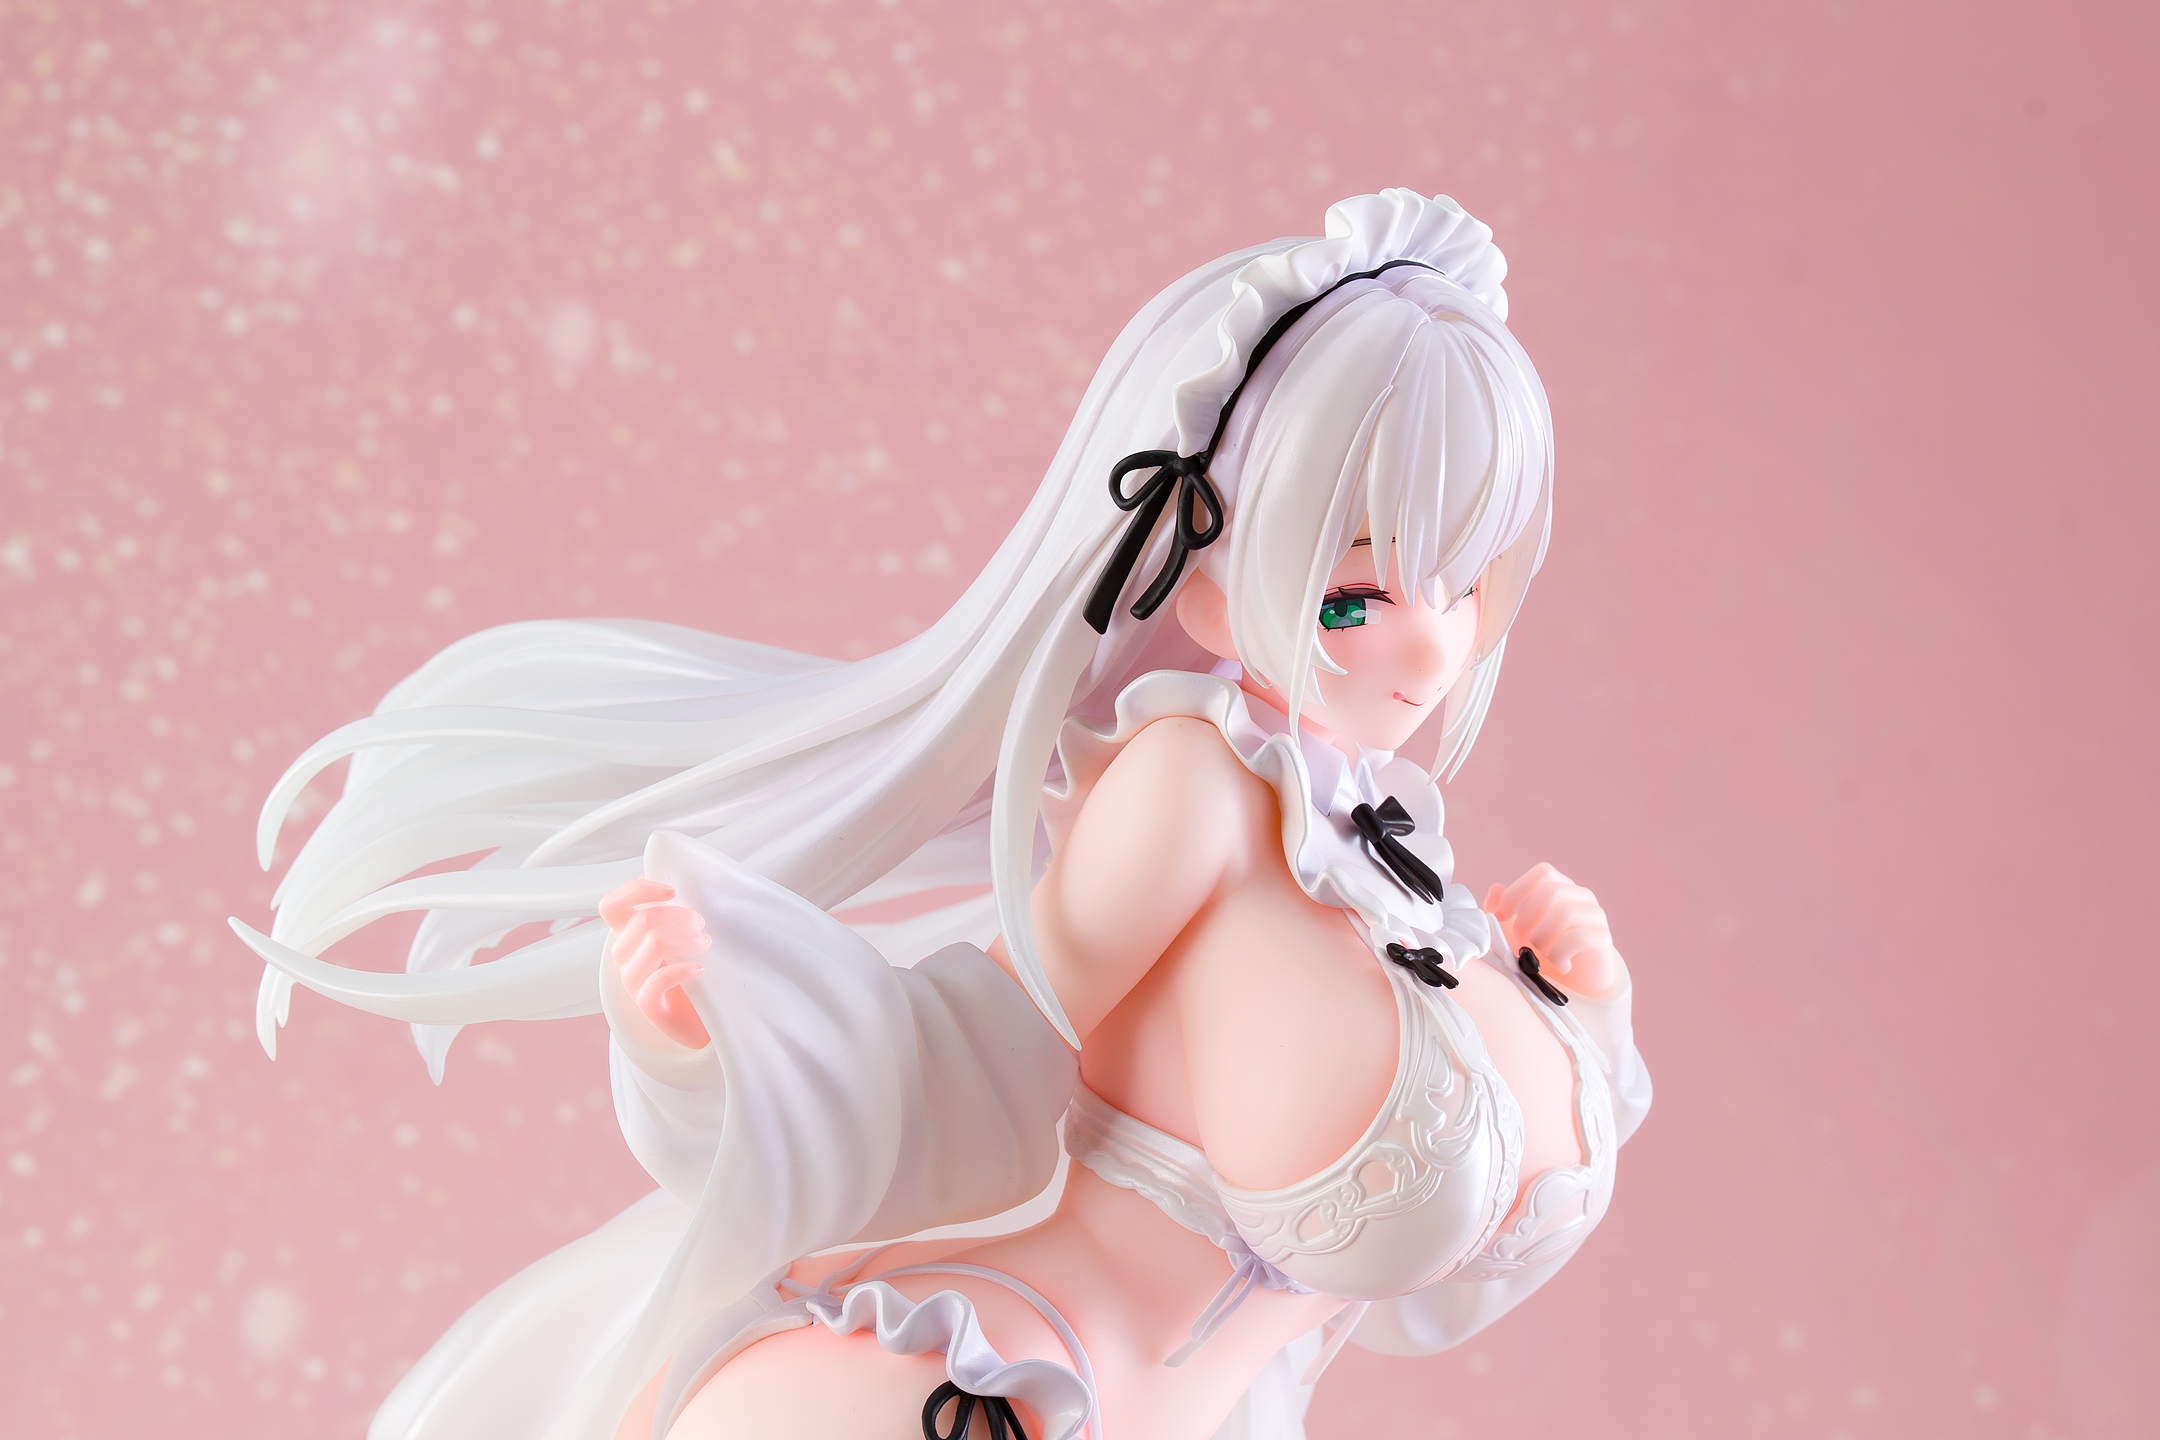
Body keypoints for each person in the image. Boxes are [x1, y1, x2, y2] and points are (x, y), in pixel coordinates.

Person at [234, 189, 1651, 1440]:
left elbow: (1432, 1280)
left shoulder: (1387, 859)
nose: (1428, 649)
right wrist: (723, 1025)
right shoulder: (1194, 788)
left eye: (1464, 583)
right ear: (1207, 574)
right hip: (1006, 1384)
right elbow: (991, 1040)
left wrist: (1577, 1009)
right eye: (1356, 596)